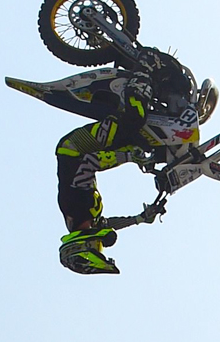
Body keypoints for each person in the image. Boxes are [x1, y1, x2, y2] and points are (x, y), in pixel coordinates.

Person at [55, 48, 193, 275]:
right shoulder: (86, 222)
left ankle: (146, 68)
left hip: (76, 147)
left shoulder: (75, 206)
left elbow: (90, 163)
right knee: (150, 143)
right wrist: (140, 218)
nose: (101, 244)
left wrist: (130, 157)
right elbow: (109, 224)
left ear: (84, 245)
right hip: (84, 151)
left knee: (132, 120)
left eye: (97, 249)